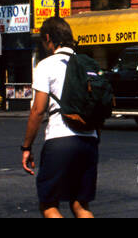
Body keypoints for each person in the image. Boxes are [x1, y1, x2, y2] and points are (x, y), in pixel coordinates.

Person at [21, 17, 98, 218]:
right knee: (81, 205)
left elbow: (38, 110)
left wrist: (27, 147)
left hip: (60, 139)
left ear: (48, 38)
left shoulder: (46, 65)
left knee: (49, 204)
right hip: (89, 140)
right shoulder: (88, 64)